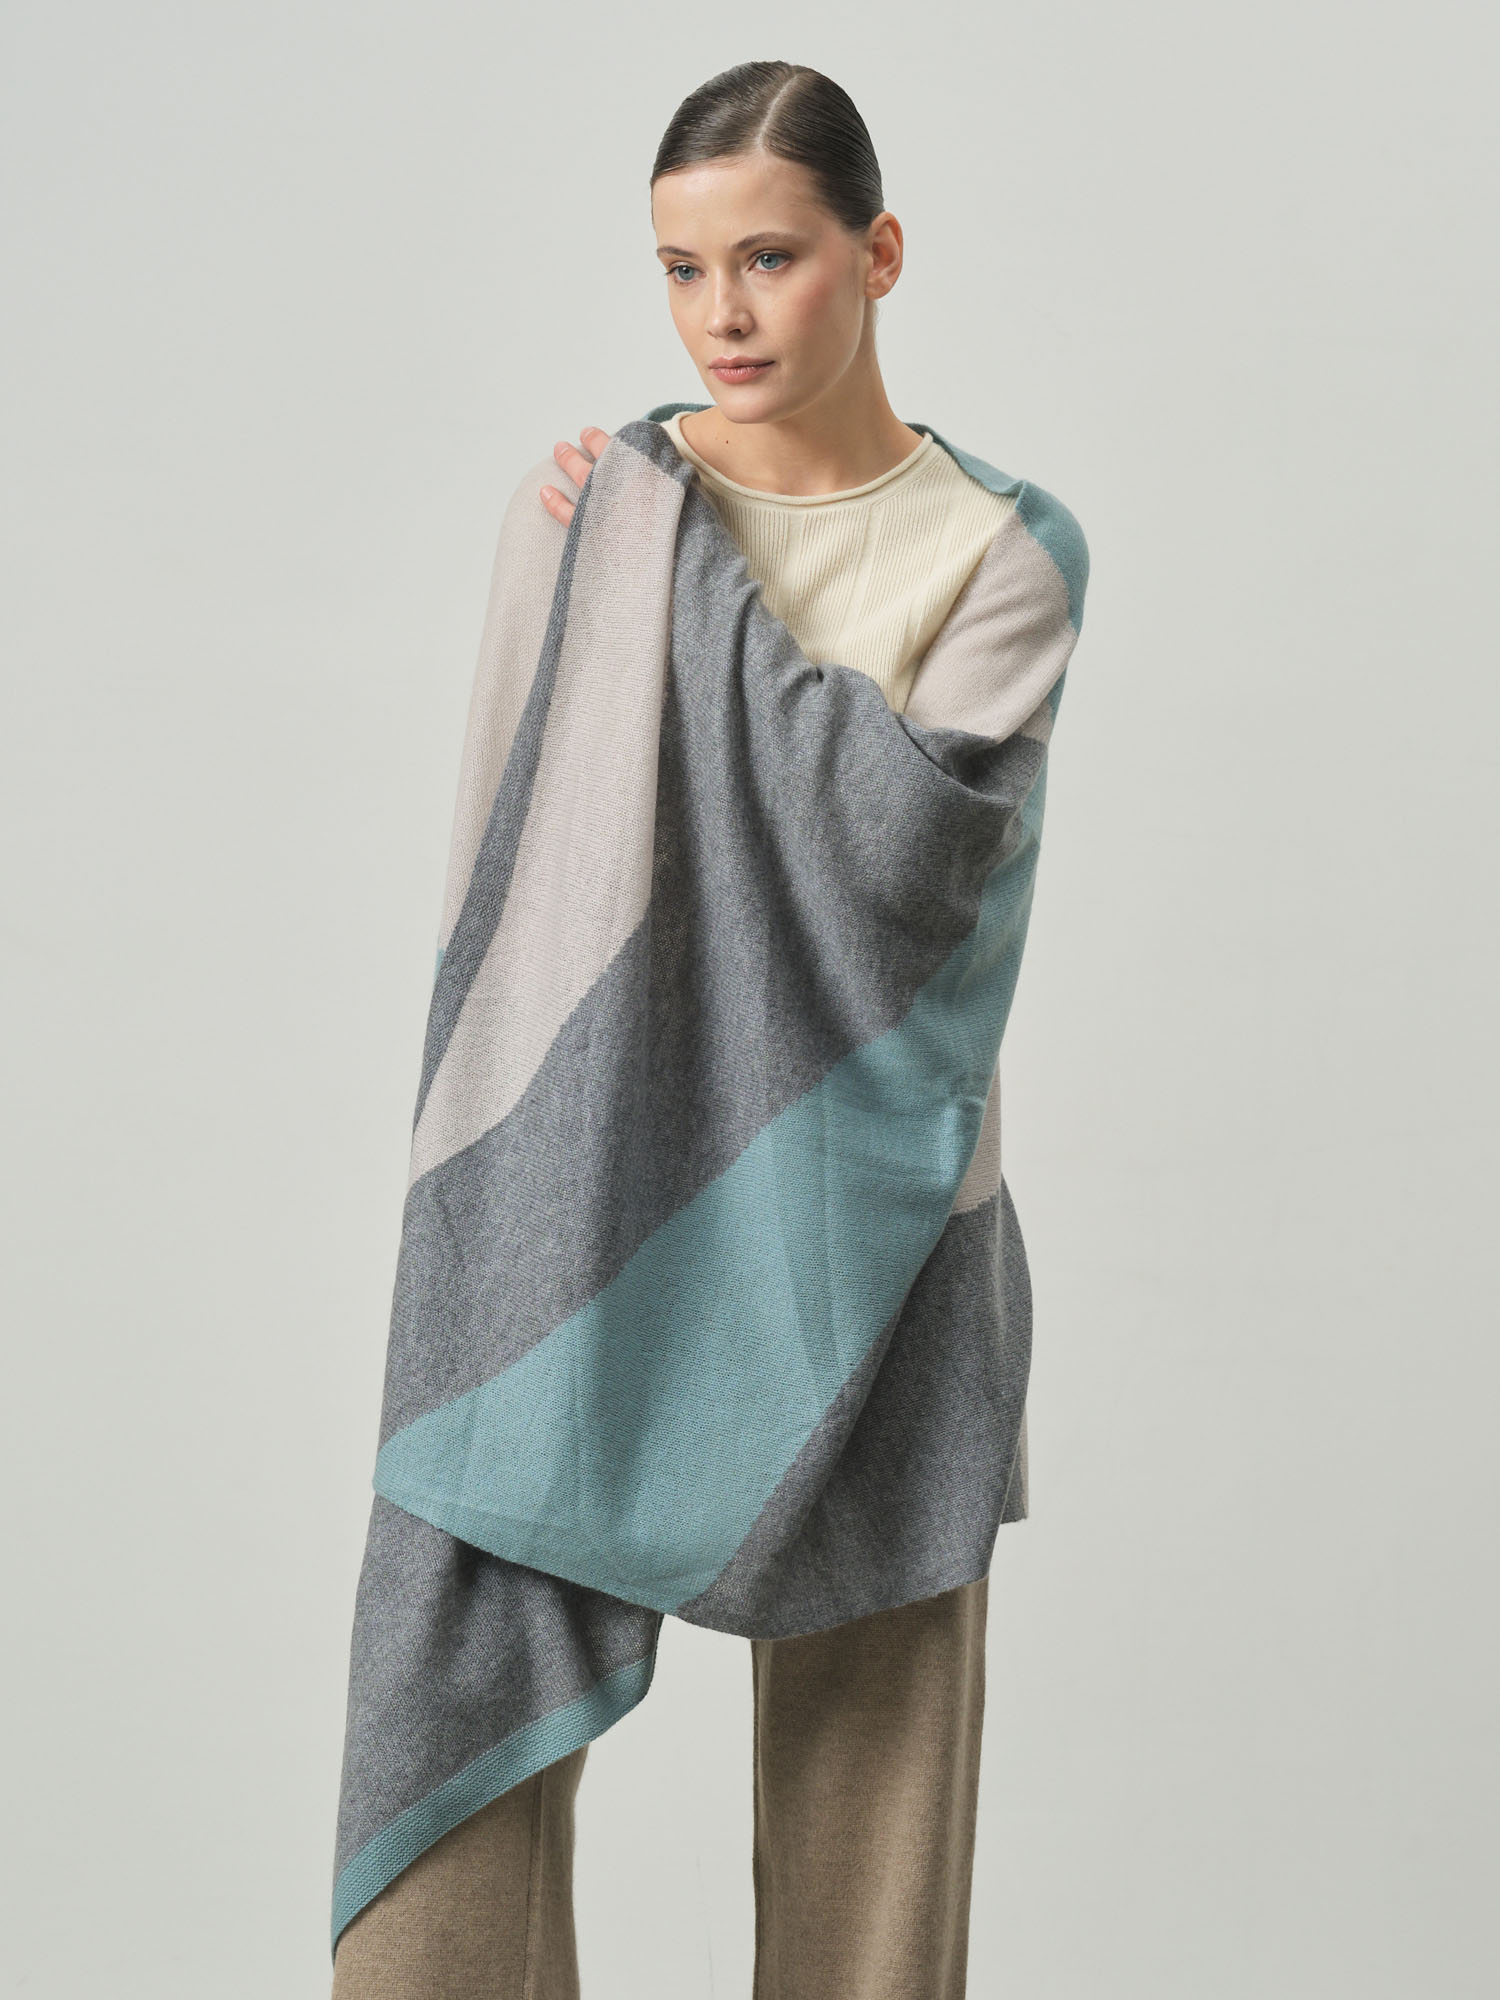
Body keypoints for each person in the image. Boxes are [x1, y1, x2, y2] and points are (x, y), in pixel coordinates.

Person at [331, 58, 1076, 2000]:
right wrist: (620, 538)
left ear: (878, 253)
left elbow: (897, 868)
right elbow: (514, 884)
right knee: (442, 1752)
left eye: (770, 258)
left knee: (870, 1863)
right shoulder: (590, 513)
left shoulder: (1004, 550)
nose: (721, 317)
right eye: (682, 270)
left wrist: (664, 567)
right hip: (576, 1202)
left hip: (879, 1237)